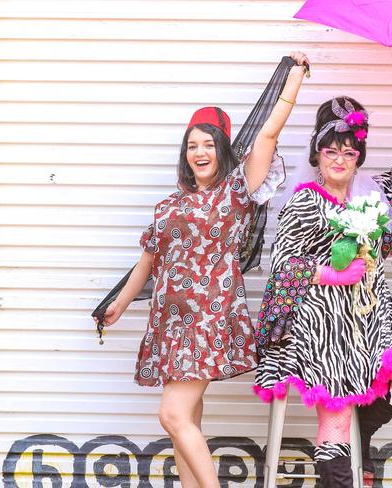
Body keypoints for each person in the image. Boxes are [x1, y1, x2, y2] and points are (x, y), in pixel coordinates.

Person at [95, 52, 310, 488]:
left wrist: (295, 76)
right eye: (192, 145)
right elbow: (148, 263)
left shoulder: (236, 191)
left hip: (210, 319)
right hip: (170, 323)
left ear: (223, 148)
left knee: (171, 415)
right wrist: (117, 305)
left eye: (209, 144)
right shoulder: (169, 206)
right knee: (185, 419)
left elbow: (270, 130)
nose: (199, 152)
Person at [253, 94, 392, 487]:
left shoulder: (370, 200)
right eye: (331, 151)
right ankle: (341, 464)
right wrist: (330, 274)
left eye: (349, 152)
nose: (339, 159)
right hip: (321, 325)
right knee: (336, 407)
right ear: (317, 155)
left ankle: (361, 431)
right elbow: (282, 267)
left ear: (358, 158)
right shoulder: (304, 201)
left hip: (368, 321)